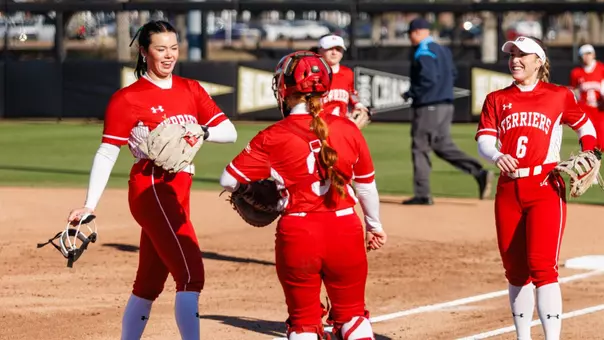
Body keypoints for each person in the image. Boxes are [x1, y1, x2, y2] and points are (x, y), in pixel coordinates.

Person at [66, 20, 238, 340]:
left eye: (173, 48)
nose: (169, 55)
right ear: (144, 52)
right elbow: (107, 153)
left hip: (179, 189)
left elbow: (230, 132)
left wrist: (202, 130)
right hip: (152, 186)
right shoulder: (128, 98)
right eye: (160, 49)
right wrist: (89, 204)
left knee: (148, 283)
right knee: (190, 274)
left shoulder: (191, 89)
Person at [219, 51, 386, 340]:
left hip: (298, 232)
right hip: (344, 228)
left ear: (285, 89)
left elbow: (228, 179)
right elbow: (366, 186)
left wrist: (262, 191)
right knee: (353, 317)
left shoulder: (271, 136)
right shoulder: (347, 128)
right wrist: (374, 226)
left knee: (304, 321)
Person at [476, 36, 598, 340]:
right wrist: (496, 155)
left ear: (539, 61)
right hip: (508, 189)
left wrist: (591, 151)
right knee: (515, 271)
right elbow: (485, 141)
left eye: (523, 55)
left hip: (545, 187)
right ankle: (522, 336)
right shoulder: (497, 99)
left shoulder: (558, 95)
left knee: (543, 269)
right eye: (513, 54)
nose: (515, 60)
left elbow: (586, 126)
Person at [401, 17, 493, 205]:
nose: (410, 38)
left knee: (420, 147)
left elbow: (428, 79)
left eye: (410, 33)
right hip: (445, 105)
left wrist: (411, 92)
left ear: (417, 32)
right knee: (441, 146)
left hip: (429, 105)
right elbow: (452, 73)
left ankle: (422, 194)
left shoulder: (423, 51)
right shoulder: (442, 49)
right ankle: (479, 172)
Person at [315, 34, 369, 119]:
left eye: (338, 49)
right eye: (329, 49)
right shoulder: (312, 74)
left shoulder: (347, 73)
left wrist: (357, 104)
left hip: (341, 124)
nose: (334, 52)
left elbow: (351, 92)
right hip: (319, 125)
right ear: (319, 51)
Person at [570, 43, 604, 148]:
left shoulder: (601, 69)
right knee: (589, 135)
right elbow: (574, 89)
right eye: (584, 54)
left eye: (589, 53)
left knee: (602, 139)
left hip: (600, 108)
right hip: (586, 108)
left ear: (593, 54)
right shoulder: (576, 72)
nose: (587, 56)